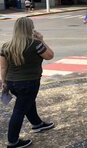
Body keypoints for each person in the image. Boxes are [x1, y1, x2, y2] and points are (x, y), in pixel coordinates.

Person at [0, 17, 55, 148]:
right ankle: (13, 142)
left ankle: (37, 124)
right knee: (19, 110)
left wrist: (4, 82)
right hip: (29, 82)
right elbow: (50, 55)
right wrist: (41, 39)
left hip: (12, 82)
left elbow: (3, 67)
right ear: (30, 28)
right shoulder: (35, 44)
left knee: (28, 102)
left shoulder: (6, 46)